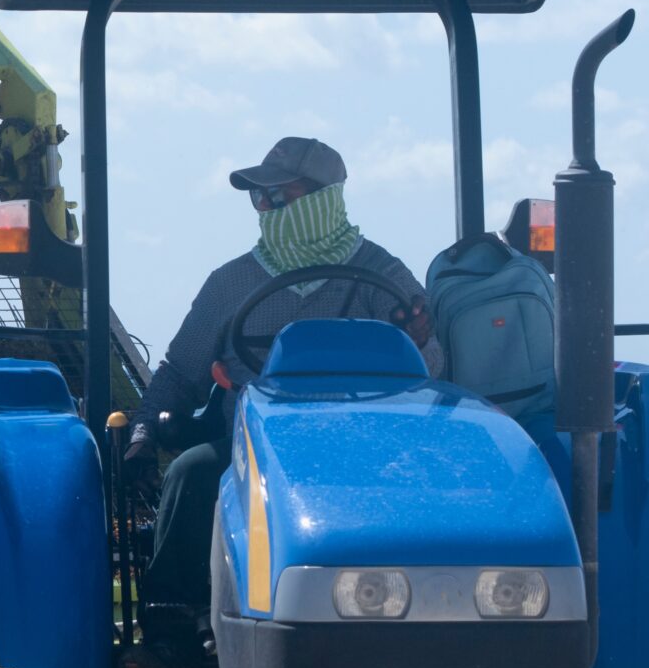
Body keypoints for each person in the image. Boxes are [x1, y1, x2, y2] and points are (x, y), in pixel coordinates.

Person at [134, 135, 440, 615]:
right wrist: (142, 430)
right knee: (190, 473)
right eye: (261, 197)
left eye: (282, 195)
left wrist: (418, 342)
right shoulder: (230, 282)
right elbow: (180, 371)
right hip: (251, 452)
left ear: (324, 198)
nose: (268, 208)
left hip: (364, 449)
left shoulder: (382, 274)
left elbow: (436, 369)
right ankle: (174, 632)